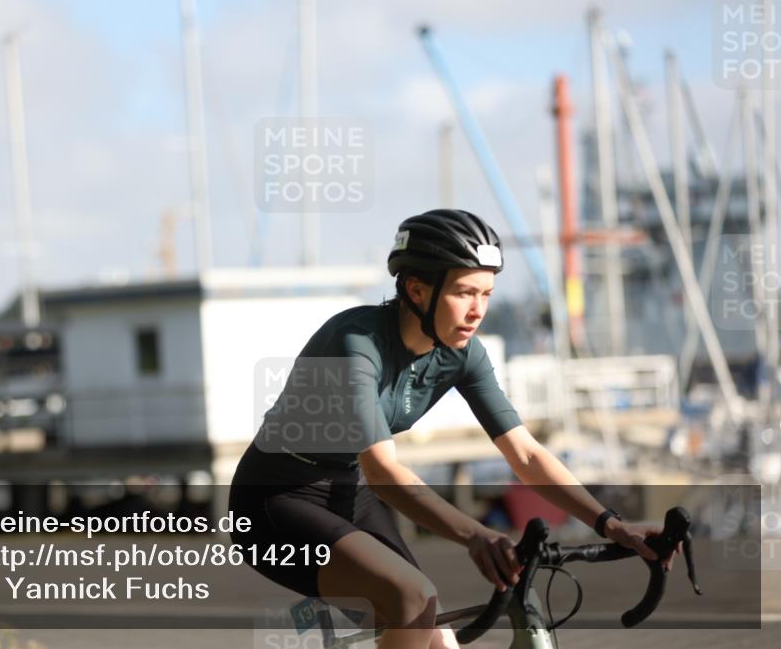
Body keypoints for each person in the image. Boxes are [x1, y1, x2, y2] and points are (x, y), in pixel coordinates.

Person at [228, 209, 678, 649]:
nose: (477, 310)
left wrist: (611, 525)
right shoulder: (356, 344)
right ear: (416, 290)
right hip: (275, 500)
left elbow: (526, 454)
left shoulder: (462, 354)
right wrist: (477, 534)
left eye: (486, 294)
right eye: (464, 293)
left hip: (349, 491)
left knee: (436, 635)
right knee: (411, 597)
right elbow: (383, 471)